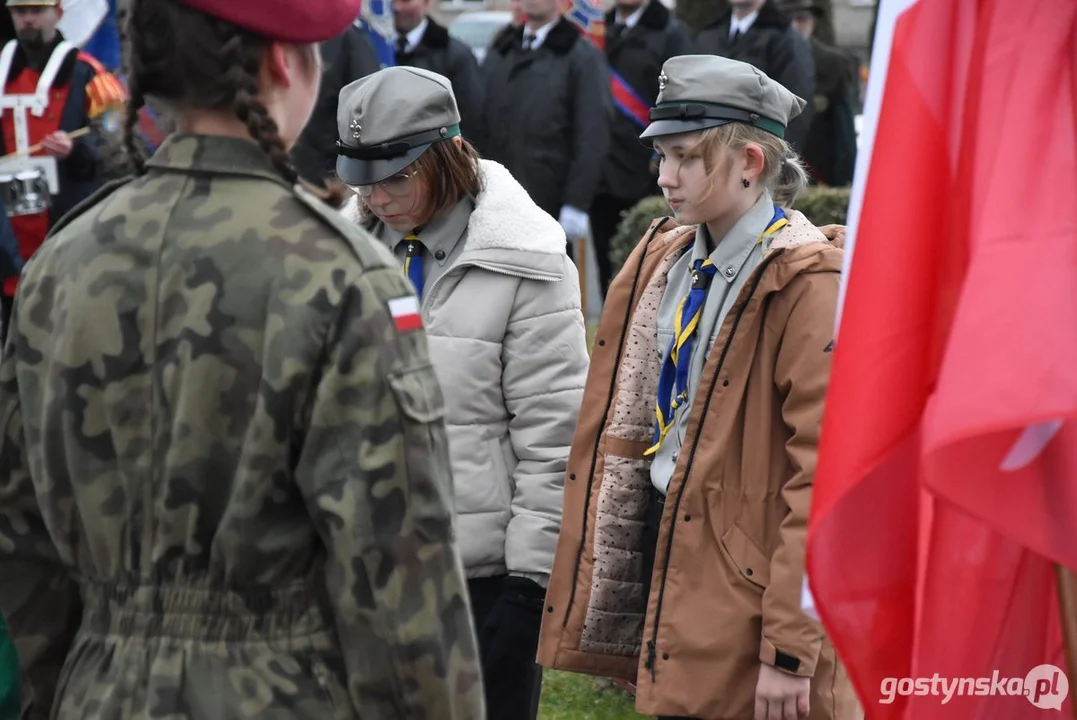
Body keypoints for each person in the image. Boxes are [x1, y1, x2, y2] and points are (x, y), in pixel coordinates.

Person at [0, 0, 484, 718]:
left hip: (97, 692)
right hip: (286, 693)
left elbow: (24, 540)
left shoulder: (61, 263)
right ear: (282, 63)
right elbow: (400, 580)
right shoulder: (341, 274)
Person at [536, 55, 860, 720]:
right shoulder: (667, 257)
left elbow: (822, 479)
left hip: (751, 590)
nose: (663, 177)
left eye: (684, 157)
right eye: (660, 155)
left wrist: (790, 650)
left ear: (748, 161)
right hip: (673, 550)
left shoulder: (805, 284)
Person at [337, 66, 589, 720]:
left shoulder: (527, 263)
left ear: (446, 159)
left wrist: (528, 589)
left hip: (479, 579)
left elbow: (553, 436)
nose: (376, 200)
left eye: (395, 178)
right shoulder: (338, 256)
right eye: (361, 182)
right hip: (361, 568)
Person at [0, 0, 126, 341]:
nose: (27, 19)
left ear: (58, 13)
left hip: (67, 222)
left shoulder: (90, 73)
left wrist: (77, 149)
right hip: (9, 236)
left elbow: (119, 147)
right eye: (19, 12)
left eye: (37, 10)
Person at [477, 0, 610, 256]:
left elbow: (592, 133)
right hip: (496, 197)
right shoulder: (502, 49)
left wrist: (577, 202)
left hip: (549, 201)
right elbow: (481, 119)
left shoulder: (581, 55)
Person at [590, 0, 695, 297]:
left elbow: (680, 102)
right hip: (602, 171)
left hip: (649, 173)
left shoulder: (671, 32)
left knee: (653, 274)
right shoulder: (597, 30)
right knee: (609, 274)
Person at [695, 0, 814, 154]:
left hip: (758, 154)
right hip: (708, 151)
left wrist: (778, 161)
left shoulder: (786, 39)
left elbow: (795, 108)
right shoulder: (709, 36)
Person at [292, 20, 381, 188]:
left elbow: (369, 112)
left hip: (327, 184)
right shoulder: (263, 30)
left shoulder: (345, 39)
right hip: (277, 178)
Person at [781, 0, 858, 187]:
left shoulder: (834, 63)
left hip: (818, 173)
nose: (794, 26)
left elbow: (844, 128)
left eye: (801, 19)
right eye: (787, 20)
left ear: (813, 22)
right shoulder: (766, 60)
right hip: (774, 169)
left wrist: (843, 179)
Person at [390, 0, 483, 142]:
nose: (396, 7)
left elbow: (471, 119)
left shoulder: (455, 55)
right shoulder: (372, 49)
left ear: (426, 3)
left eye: (405, 1)